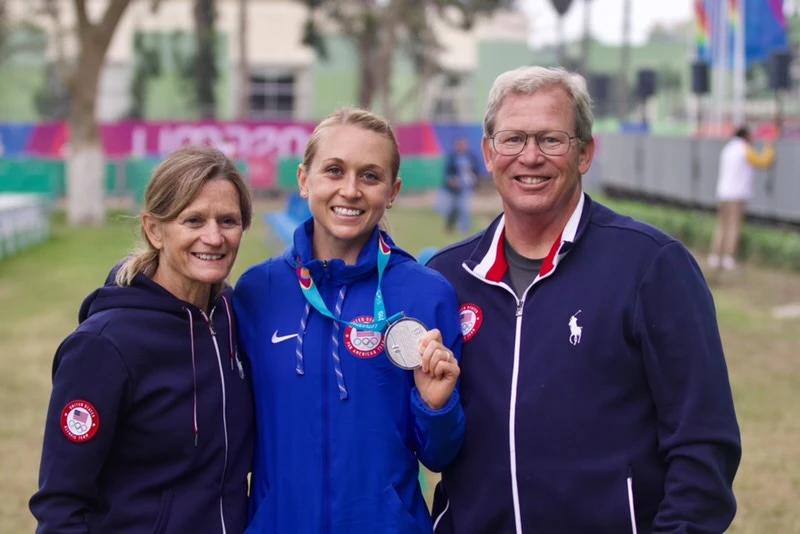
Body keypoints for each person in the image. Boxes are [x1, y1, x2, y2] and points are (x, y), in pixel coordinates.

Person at [427, 66, 742, 533]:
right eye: (513, 139)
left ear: (585, 153)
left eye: (551, 140)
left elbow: (704, 446)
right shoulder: (447, 278)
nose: (530, 157)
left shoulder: (651, 266)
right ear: (489, 153)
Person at [233, 108, 464, 533]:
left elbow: (440, 455)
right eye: (334, 171)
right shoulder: (256, 293)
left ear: (393, 191)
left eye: (370, 176)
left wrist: (436, 406)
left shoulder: (426, 295)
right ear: (304, 180)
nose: (351, 190)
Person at [30, 146, 255, 533]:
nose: (214, 237)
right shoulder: (103, 346)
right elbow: (60, 504)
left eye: (228, 221)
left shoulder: (233, 318)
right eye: (194, 220)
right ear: (154, 229)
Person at [708, 125, 775, 271]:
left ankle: (715, 256)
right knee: (734, 227)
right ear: (745, 136)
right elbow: (762, 162)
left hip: (723, 193)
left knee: (721, 226)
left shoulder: (727, 149)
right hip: (737, 195)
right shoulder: (744, 148)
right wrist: (769, 148)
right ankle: (728, 257)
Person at [441, 137, 482, 233]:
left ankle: (464, 229)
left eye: (464, 145)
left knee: (465, 208)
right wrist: (451, 180)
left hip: (466, 188)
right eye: (460, 145)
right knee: (453, 209)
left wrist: (475, 180)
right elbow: (447, 173)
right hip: (454, 189)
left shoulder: (471, 157)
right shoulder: (452, 157)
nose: (462, 147)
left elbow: (476, 171)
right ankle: (449, 227)